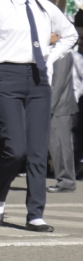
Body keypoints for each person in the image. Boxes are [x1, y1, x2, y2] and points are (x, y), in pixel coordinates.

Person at [0, 0, 77, 232]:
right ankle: (0, 192)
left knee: (36, 151)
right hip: (6, 78)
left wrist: (51, 57)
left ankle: (35, 213)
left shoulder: (46, 7)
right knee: (15, 149)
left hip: (38, 80)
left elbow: (70, 34)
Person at [48, 47, 78, 193]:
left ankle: (66, 180)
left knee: (60, 145)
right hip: (57, 106)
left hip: (60, 107)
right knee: (56, 145)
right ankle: (64, 179)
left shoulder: (62, 54)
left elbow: (58, 84)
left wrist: (47, 107)